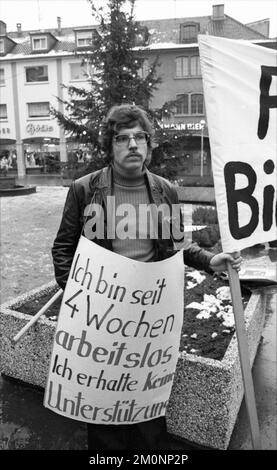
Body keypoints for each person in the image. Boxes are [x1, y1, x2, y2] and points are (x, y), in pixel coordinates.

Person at [52, 104, 242, 450]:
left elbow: (175, 246)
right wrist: (77, 296)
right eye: (122, 138)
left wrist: (209, 259)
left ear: (149, 145)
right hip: (101, 320)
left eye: (140, 137)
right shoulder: (84, 190)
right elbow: (63, 249)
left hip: (148, 318)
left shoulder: (165, 191)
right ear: (109, 146)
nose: (133, 144)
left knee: (148, 411)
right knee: (103, 407)